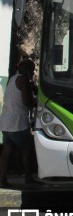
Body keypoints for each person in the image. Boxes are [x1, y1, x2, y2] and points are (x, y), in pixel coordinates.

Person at [0, 58, 37, 187]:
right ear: (27, 70)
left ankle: (2, 180)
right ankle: (28, 178)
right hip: (18, 123)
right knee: (27, 151)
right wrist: (36, 102)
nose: (32, 73)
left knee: (7, 151)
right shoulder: (23, 80)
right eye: (32, 70)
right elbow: (27, 101)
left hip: (6, 122)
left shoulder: (11, 79)